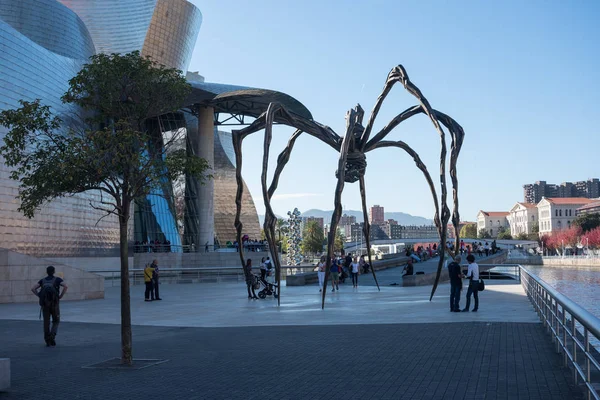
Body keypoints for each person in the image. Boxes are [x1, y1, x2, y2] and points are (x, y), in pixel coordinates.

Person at [31, 266, 68, 346]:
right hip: (55, 304)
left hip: (45, 305)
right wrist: (60, 296)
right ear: (54, 271)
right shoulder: (57, 279)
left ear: (47, 272)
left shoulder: (42, 280)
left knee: (46, 323)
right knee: (56, 321)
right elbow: (65, 286)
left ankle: (47, 340)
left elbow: (33, 288)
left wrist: (39, 296)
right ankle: (52, 336)